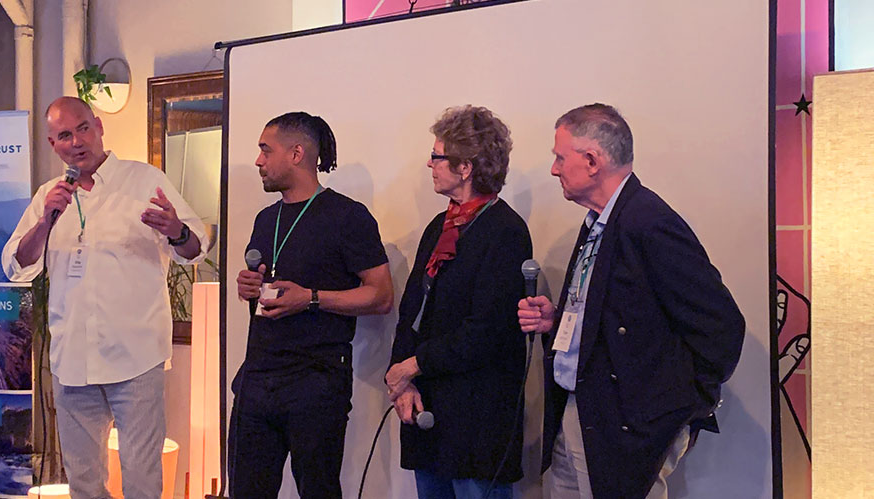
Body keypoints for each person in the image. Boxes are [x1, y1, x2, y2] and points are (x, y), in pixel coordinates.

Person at [517, 104, 746, 499]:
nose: (554, 169)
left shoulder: (648, 221)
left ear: (592, 161)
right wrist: (559, 322)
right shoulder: (599, 222)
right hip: (581, 411)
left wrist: (669, 414)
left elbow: (722, 329)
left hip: (620, 426)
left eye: (559, 157)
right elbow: (623, 314)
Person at [2, 96, 207, 499]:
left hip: (136, 357)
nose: (76, 141)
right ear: (53, 144)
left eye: (82, 128)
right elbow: (15, 266)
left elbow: (196, 249)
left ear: (98, 126)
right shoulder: (50, 194)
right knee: (84, 483)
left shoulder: (145, 181)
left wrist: (176, 230)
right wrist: (45, 221)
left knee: (142, 480)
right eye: (64, 135)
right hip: (73, 361)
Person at [232, 111, 393, 499]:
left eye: (265, 150)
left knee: (318, 491)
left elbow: (381, 295)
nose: (258, 161)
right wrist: (249, 286)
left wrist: (311, 298)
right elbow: (266, 290)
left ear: (297, 153)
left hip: (315, 382)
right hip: (257, 377)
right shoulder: (265, 218)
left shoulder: (347, 216)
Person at [387, 105, 532, 499]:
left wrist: (413, 366)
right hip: (426, 406)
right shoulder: (441, 225)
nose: (429, 164)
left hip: (477, 417)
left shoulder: (506, 231)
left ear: (465, 167)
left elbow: (486, 331)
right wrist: (403, 382)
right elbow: (412, 310)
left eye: (437, 156)